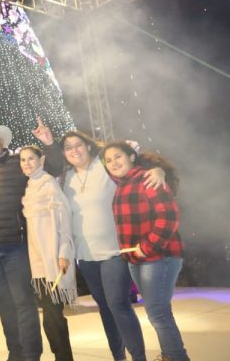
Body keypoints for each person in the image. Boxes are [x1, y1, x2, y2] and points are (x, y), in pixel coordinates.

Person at [59, 130, 164, 361]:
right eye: (68, 147)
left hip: (115, 251)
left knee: (118, 304)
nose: (74, 150)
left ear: (88, 146)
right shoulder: (67, 178)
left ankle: (138, 357)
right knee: (105, 308)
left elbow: (135, 158)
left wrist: (157, 170)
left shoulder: (104, 165)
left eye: (78, 144)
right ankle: (118, 357)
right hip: (86, 256)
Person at [0, 118, 63, 361]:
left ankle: (31, 354)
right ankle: (16, 352)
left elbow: (52, 168)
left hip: (15, 246)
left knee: (23, 302)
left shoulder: (15, 164)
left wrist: (49, 145)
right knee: (5, 305)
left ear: (1, 142)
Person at [103, 142, 189, 361]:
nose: (113, 163)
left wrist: (148, 246)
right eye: (108, 160)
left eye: (118, 156)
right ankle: (171, 355)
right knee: (158, 311)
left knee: (157, 312)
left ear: (132, 157)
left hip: (159, 256)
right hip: (136, 258)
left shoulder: (148, 179)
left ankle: (177, 357)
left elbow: (169, 216)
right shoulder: (122, 183)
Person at [19, 145, 76, 361]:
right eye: (23, 160)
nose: (27, 163)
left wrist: (63, 252)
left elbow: (64, 221)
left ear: (40, 160)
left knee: (52, 317)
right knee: (50, 315)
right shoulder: (29, 187)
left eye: (31, 159)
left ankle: (63, 357)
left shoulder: (49, 183)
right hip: (38, 262)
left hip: (54, 259)